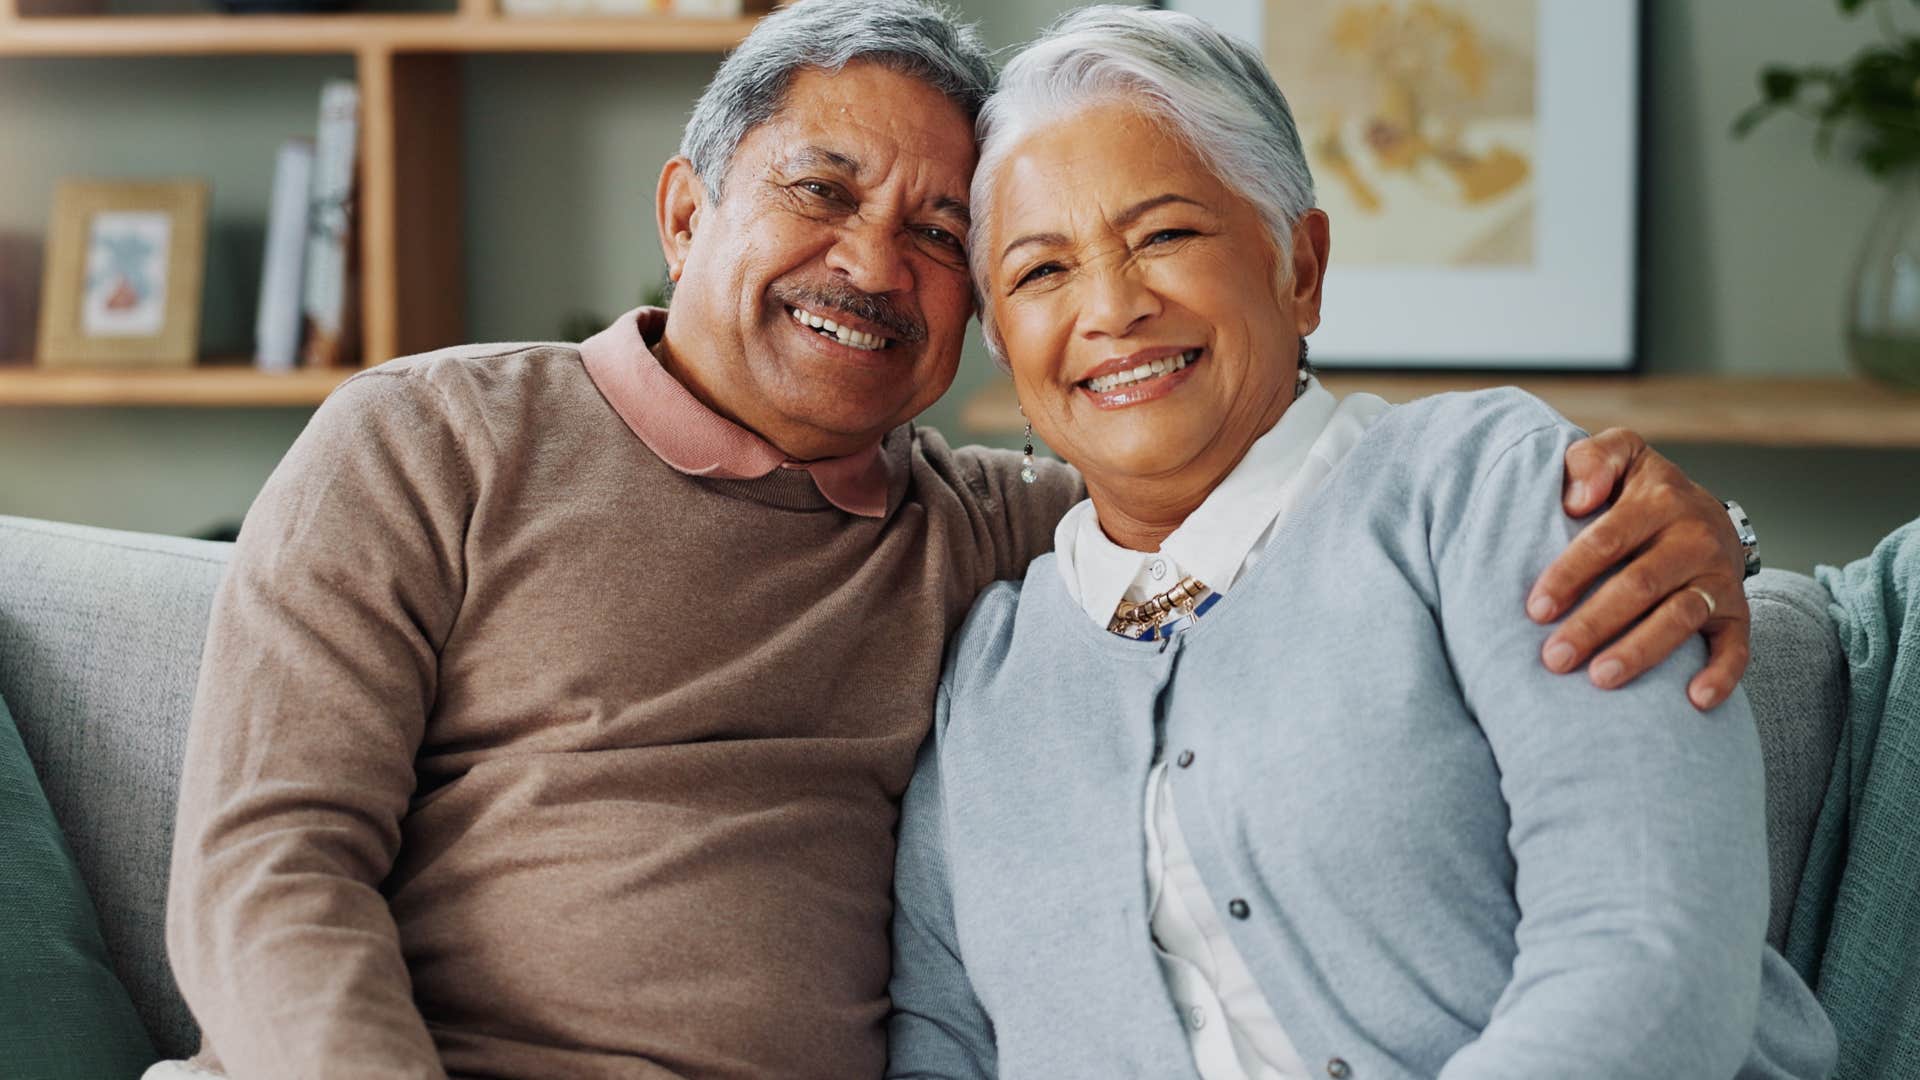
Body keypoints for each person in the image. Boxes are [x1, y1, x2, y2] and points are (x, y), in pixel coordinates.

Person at [163, 1, 1758, 1077]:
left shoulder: (986, 534)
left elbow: (1257, 506)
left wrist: (1672, 528)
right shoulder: (432, 436)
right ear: (683, 212)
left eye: (939, 236)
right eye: (822, 190)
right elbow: (267, 864)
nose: (873, 262)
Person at [885, 8, 1837, 1080]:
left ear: (1301, 267)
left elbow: (1651, 953)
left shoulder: (1489, 493)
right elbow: (940, 1042)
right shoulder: (995, 675)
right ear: (1004, 342)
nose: (1111, 307)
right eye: (1041, 272)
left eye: (1165, 235)